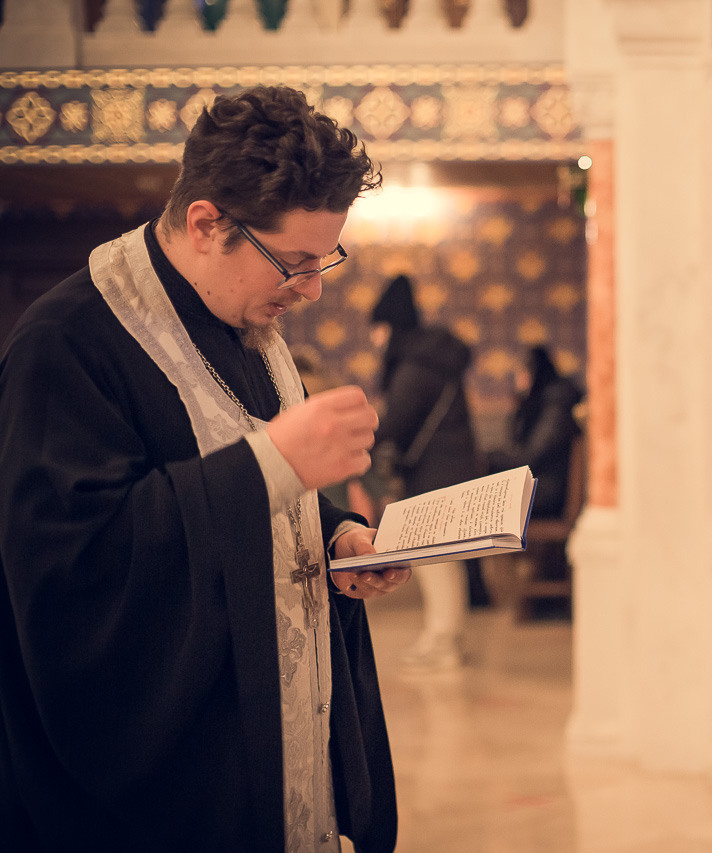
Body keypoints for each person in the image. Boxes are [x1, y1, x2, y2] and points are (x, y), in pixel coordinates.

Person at [0, 86, 410, 851]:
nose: (313, 289)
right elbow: (70, 571)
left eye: (326, 260)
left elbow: (252, 485)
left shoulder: (248, 322)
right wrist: (276, 461)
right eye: (294, 262)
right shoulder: (67, 341)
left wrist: (338, 535)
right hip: (173, 790)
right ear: (205, 223)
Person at [368, 274, 480, 669]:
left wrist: (368, 434)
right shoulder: (435, 357)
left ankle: (443, 642)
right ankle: (444, 636)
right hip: (451, 464)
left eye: (378, 328)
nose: (375, 339)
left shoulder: (414, 364)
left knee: (436, 559)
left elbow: (397, 421)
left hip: (434, 471)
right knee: (443, 558)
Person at [488, 345, 583, 520]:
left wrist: (487, 460)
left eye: (521, 372)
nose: (517, 379)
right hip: (537, 483)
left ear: (532, 372)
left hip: (546, 490)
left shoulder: (556, 403)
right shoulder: (541, 403)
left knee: (484, 499)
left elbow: (530, 456)